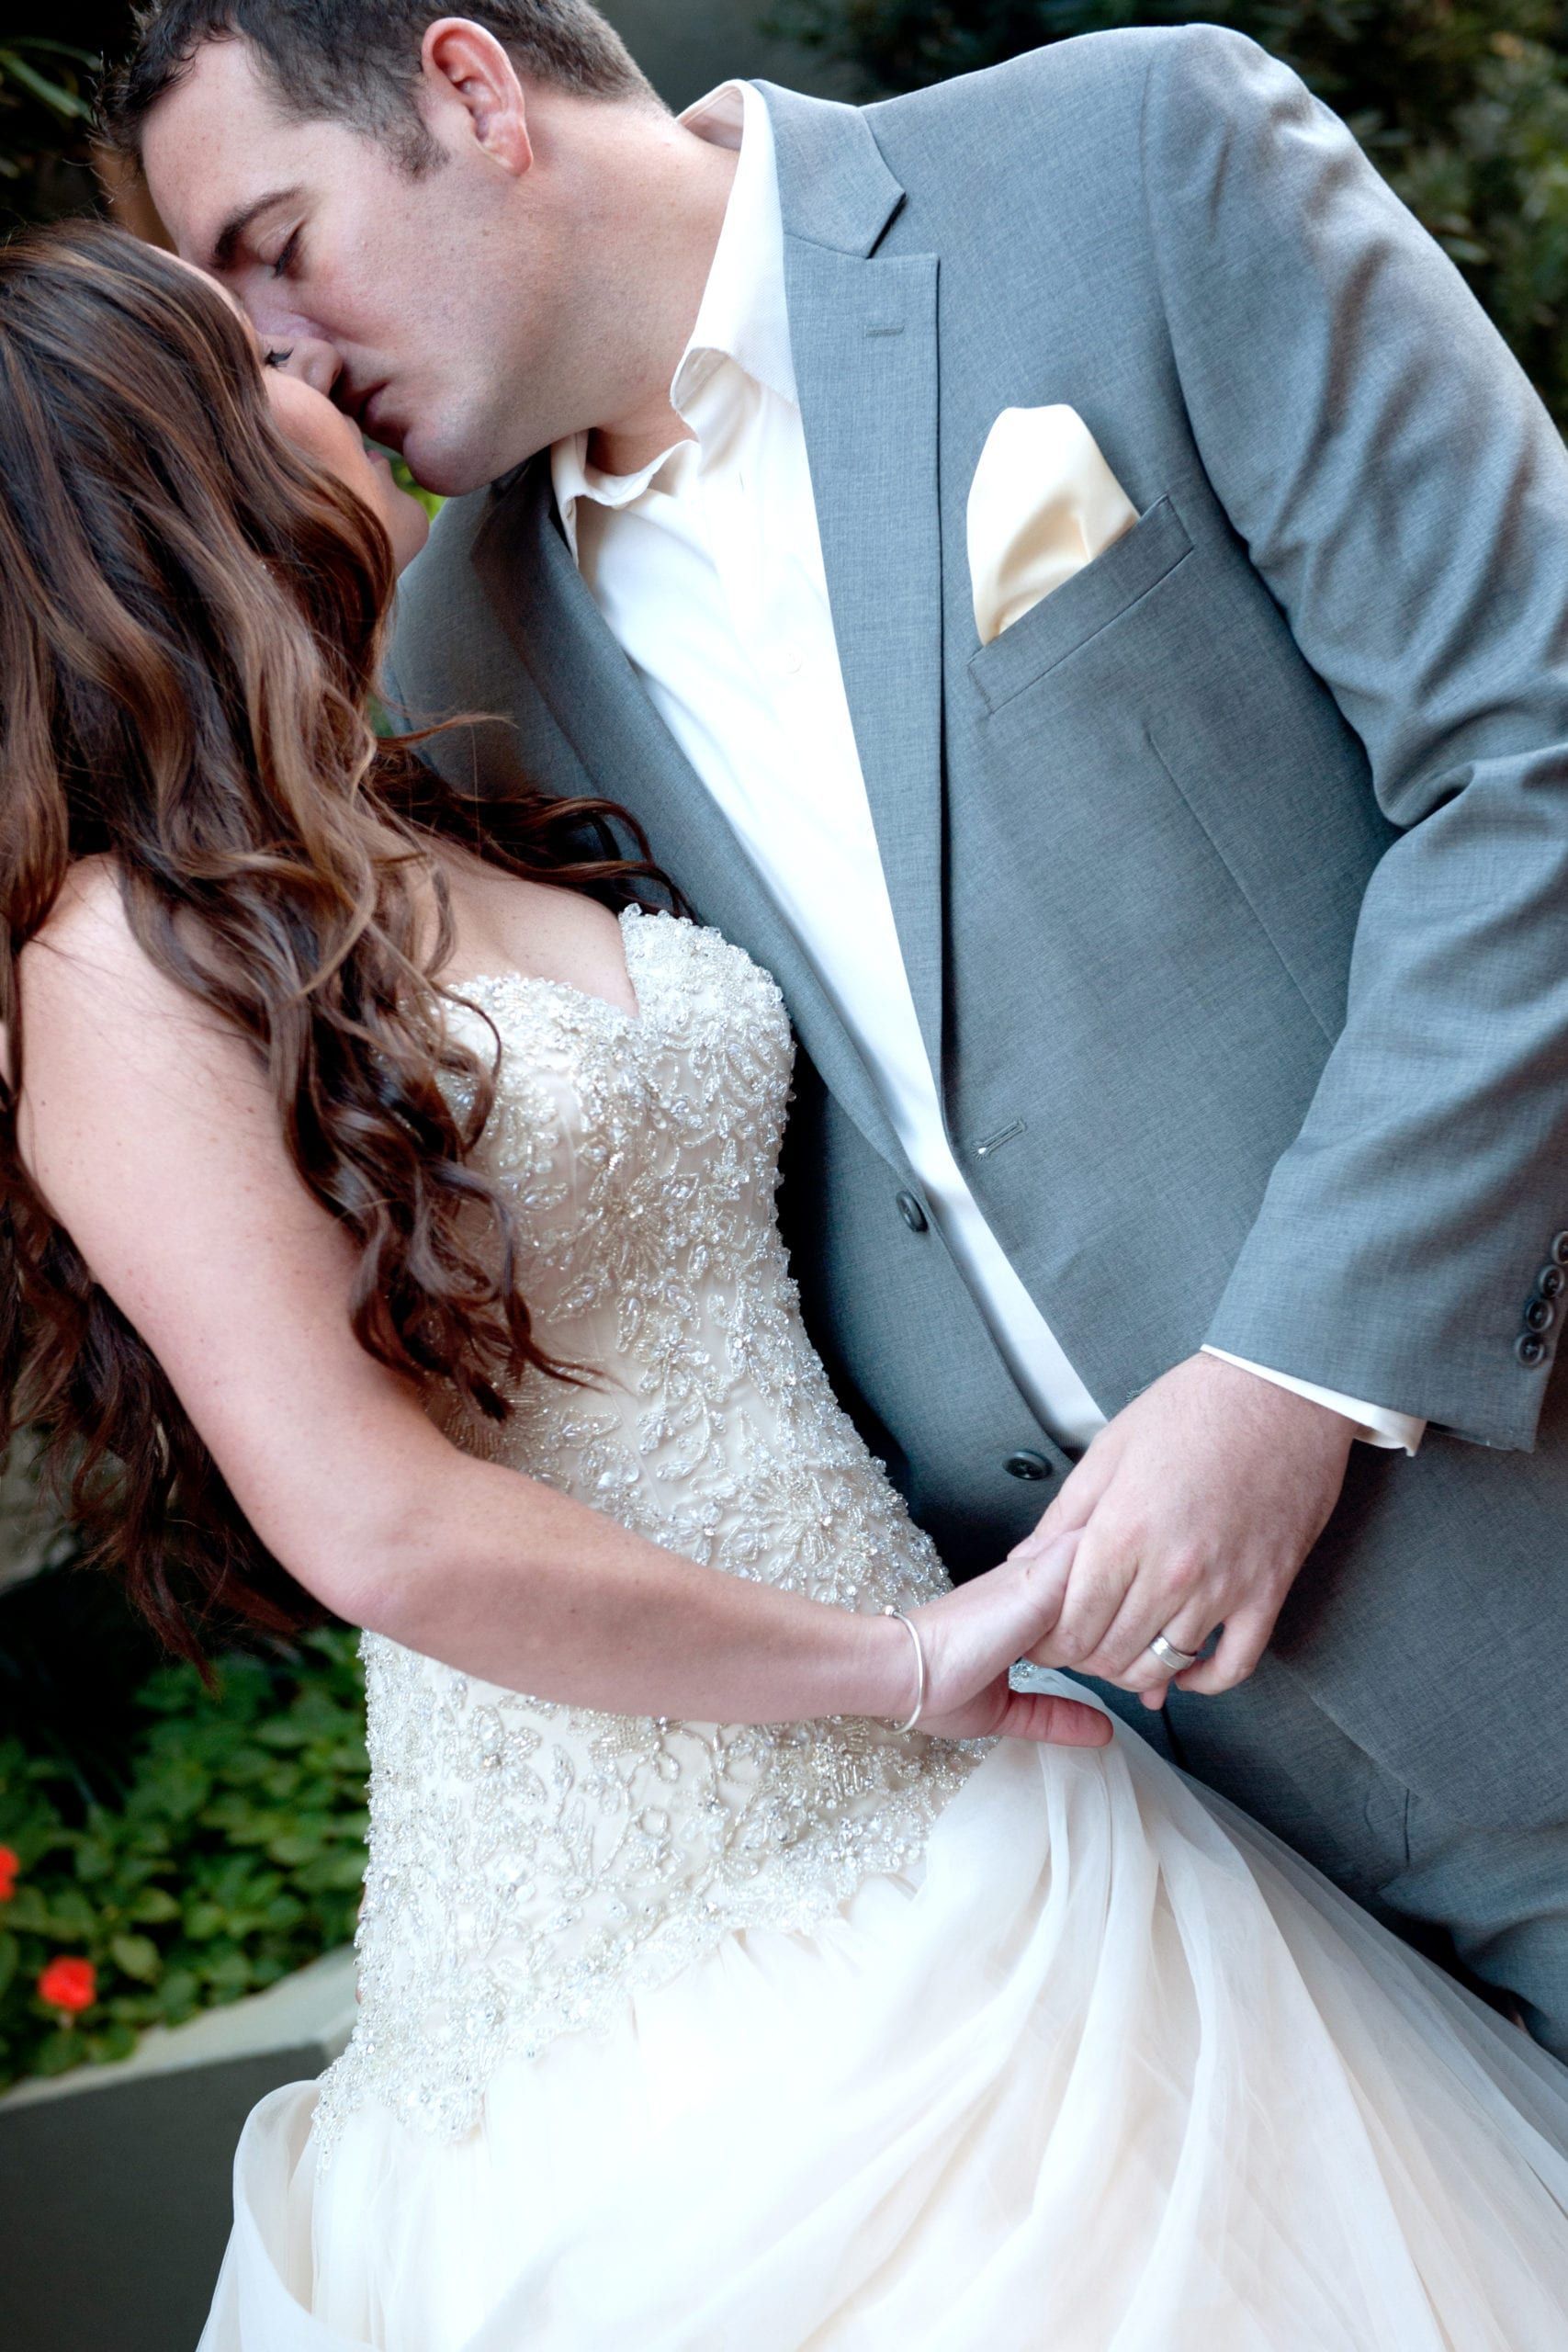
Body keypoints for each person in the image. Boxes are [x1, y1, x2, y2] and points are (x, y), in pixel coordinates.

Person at [4, 220, 1568, 2350]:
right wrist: (887, 1659)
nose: (311, 360)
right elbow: (371, 1513)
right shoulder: (111, 953)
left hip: (991, 1794)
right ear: (143, 462)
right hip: (646, 1900)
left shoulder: (438, 797)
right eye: (245, 342)